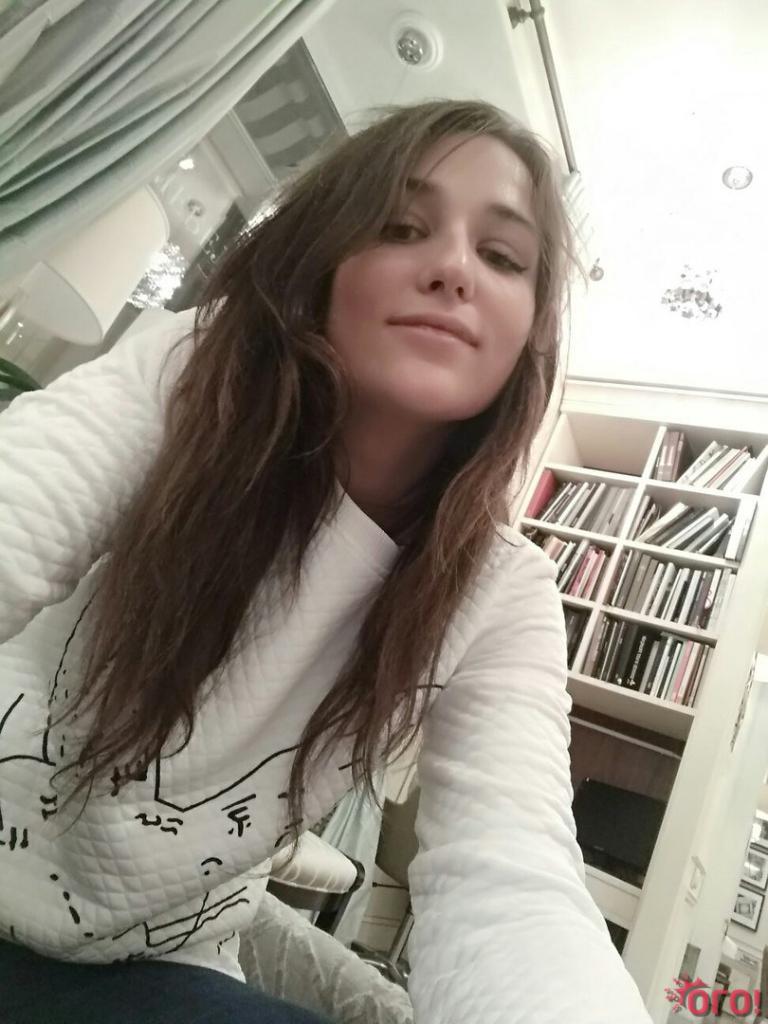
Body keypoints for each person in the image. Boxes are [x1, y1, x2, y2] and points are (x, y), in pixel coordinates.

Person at [0, 99, 651, 1023]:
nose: (453, 268)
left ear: (530, 332)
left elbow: (511, 876)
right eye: (401, 227)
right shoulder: (191, 377)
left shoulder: (504, 592)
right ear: (326, 264)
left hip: (154, 961)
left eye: (503, 256)